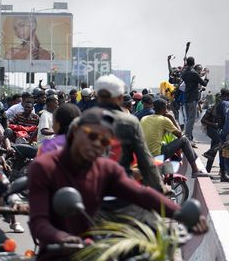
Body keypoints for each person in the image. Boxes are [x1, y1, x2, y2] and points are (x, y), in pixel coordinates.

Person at [28, 108, 209, 260]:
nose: (97, 144)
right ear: (75, 131)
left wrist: (180, 213)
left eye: (105, 141)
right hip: (59, 252)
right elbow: (39, 223)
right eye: (92, 136)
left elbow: (140, 194)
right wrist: (61, 238)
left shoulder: (104, 168)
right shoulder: (44, 167)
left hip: (96, 249)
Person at [94, 74, 163, 192]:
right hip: (121, 188)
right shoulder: (130, 122)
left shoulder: (81, 121)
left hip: (90, 188)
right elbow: (145, 160)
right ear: (120, 98)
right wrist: (160, 187)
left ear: (97, 96)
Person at [140, 98, 208, 178]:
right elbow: (180, 135)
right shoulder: (164, 120)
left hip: (144, 154)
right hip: (156, 155)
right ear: (164, 108)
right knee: (185, 140)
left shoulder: (144, 118)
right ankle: (195, 170)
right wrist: (171, 118)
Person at [181, 56, 209, 143]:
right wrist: (207, 75)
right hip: (192, 99)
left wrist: (201, 74)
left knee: (189, 119)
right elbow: (204, 83)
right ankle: (188, 138)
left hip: (187, 98)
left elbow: (195, 77)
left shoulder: (184, 73)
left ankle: (190, 137)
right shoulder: (193, 73)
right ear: (193, 63)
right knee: (191, 119)